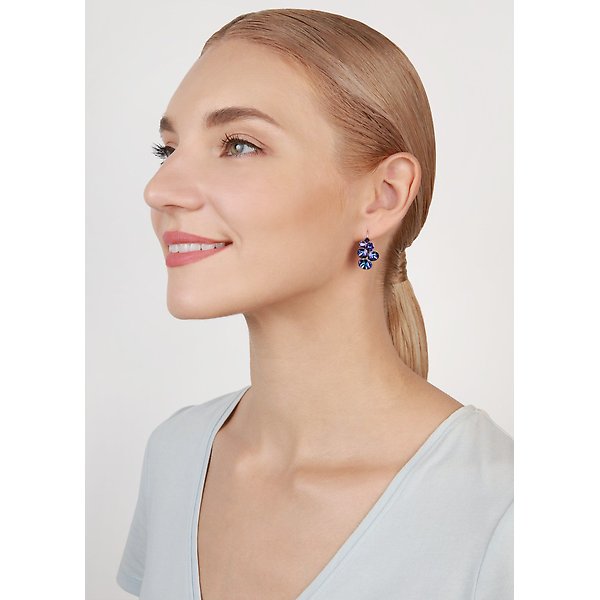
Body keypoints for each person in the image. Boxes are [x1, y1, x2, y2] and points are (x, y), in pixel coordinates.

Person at [116, 8, 513, 600]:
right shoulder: (176, 456)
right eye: (166, 149)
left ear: (383, 196)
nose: (160, 189)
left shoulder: (503, 510)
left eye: (239, 145)